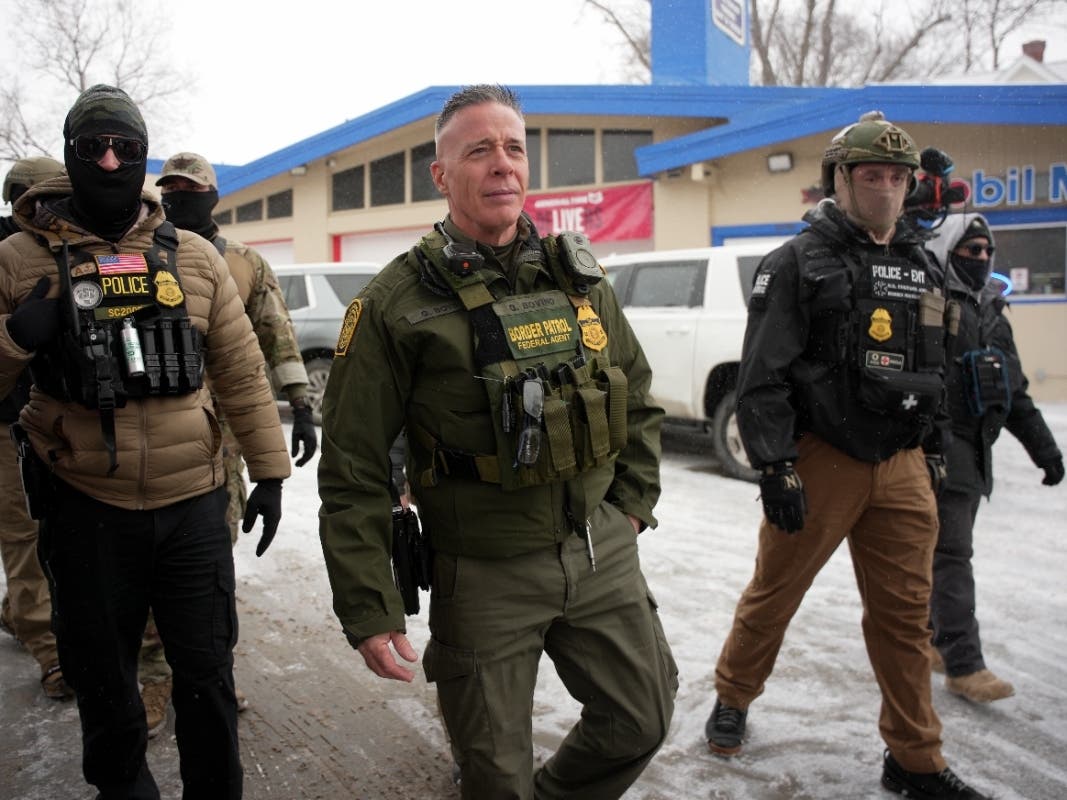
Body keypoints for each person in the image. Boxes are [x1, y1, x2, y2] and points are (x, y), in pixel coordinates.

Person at [318, 84, 677, 799]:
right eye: (478, 150)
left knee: (640, 719)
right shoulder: (395, 302)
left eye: (513, 148)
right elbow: (353, 464)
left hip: (598, 550)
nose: (502, 164)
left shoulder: (578, 277)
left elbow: (633, 391)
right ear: (441, 174)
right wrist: (369, 606)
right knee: (494, 774)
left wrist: (629, 506)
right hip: (481, 573)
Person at [0, 84, 290, 799]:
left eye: (125, 148)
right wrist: (13, 341)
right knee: (105, 686)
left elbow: (242, 370)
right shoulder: (17, 260)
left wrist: (271, 470)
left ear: (141, 156)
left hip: (191, 504)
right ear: (71, 155)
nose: (108, 160)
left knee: (206, 680)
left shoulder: (191, 255)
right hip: (84, 502)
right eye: (91, 146)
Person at [704, 111, 991, 799]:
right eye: (871, 176)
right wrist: (774, 464)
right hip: (821, 458)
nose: (886, 190)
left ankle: (914, 758)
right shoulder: (798, 262)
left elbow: (936, 364)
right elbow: (762, 376)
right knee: (775, 594)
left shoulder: (921, 265)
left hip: (900, 465)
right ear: (839, 180)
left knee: (903, 616)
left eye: (897, 178)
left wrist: (935, 451)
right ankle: (733, 695)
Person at [129, 151, 318, 734]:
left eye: (191, 189)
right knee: (148, 567)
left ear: (213, 196)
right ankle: (155, 679)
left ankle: (211, 670)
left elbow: (277, 335)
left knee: (209, 568)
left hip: (225, 443)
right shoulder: (135, 257)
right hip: (156, 438)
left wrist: (303, 404)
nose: (180, 198)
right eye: (171, 189)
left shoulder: (243, 265)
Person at [924, 213, 1063, 702]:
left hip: (977, 453)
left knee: (938, 556)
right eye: (970, 249)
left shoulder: (993, 315)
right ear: (947, 250)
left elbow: (1016, 393)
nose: (980, 258)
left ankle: (929, 640)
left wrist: (1045, 452)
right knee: (953, 558)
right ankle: (965, 665)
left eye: (986, 251)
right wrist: (934, 447)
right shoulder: (932, 305)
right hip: (942, 452)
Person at [0, 155, 71, 699]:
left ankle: (22, 612)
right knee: (24, 537)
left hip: (62, 422)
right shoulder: (7, 258)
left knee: (65, 535)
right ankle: (51, 655)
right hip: (8, 424)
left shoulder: (75, 246)